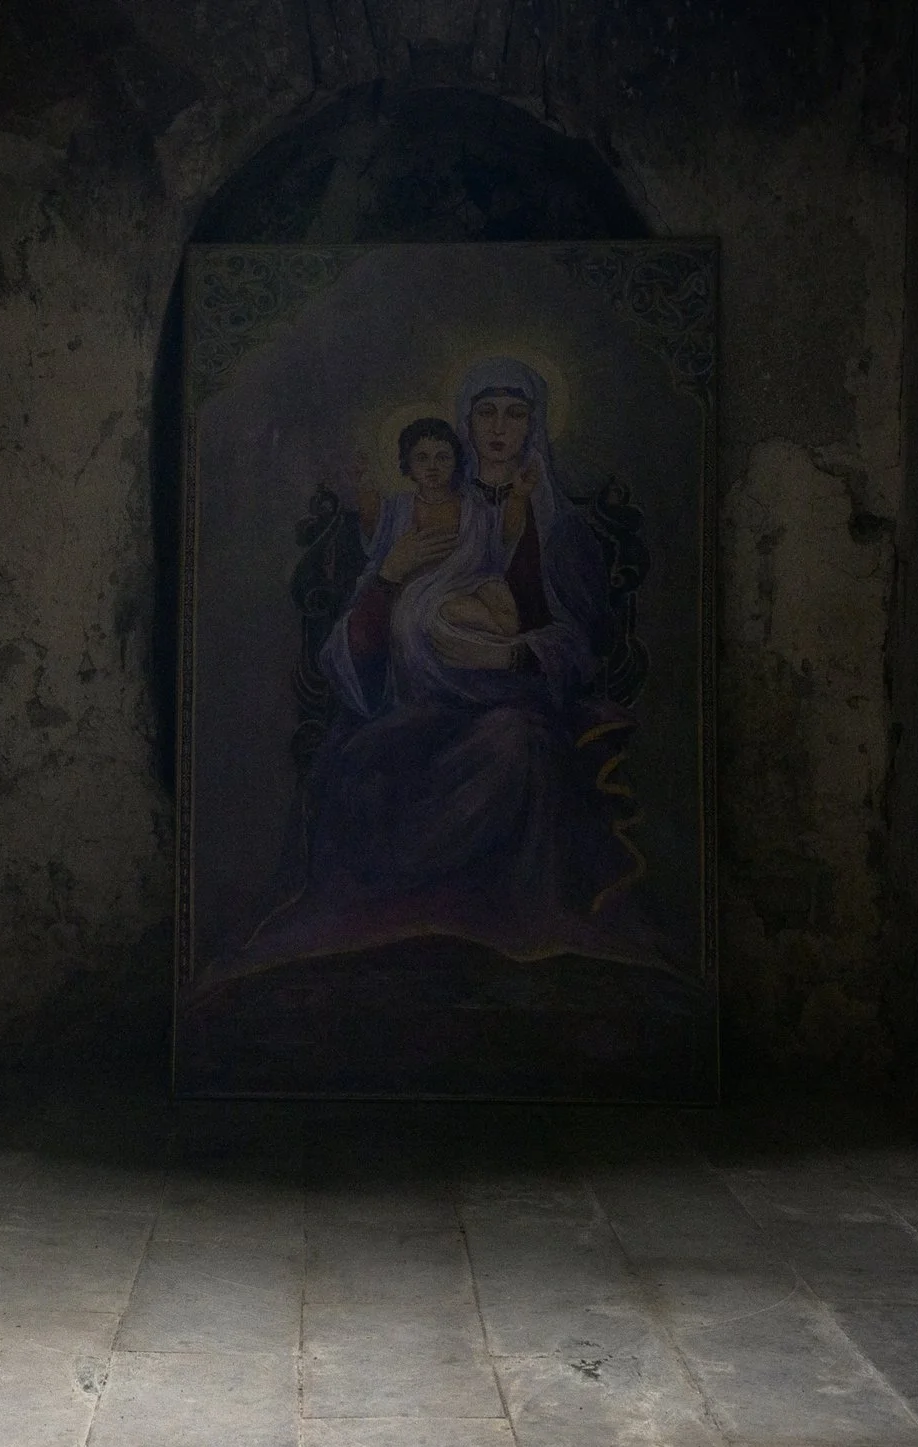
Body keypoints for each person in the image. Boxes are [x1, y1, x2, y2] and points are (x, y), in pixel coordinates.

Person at [208, 356, 682, 982]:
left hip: (511, 704)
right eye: (485, 411)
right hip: (420, 703)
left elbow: (581, 647)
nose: (499, 428)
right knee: (359, 766)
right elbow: (354, 643)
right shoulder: (418, 517)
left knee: (517, 749)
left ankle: (485, 919)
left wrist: (508, 654)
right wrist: (388, 576)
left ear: (536, 427)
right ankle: (388, 911)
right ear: (462, 423)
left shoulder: (560, 532)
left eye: (516, 414)